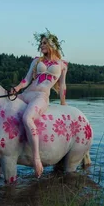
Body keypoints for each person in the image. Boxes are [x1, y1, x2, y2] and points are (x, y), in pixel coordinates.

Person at [9, 29, 68, 177]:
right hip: (27, 94)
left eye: (44, 43)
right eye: (41, 43)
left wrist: (63, 104)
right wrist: (16, 89)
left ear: (52, 44)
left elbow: (62, 86)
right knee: (5, 107)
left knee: (27, 118)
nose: (41, 46)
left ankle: (36, 159)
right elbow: (27, 79)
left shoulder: (62, 64)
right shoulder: (37, 61)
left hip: (41, 97)